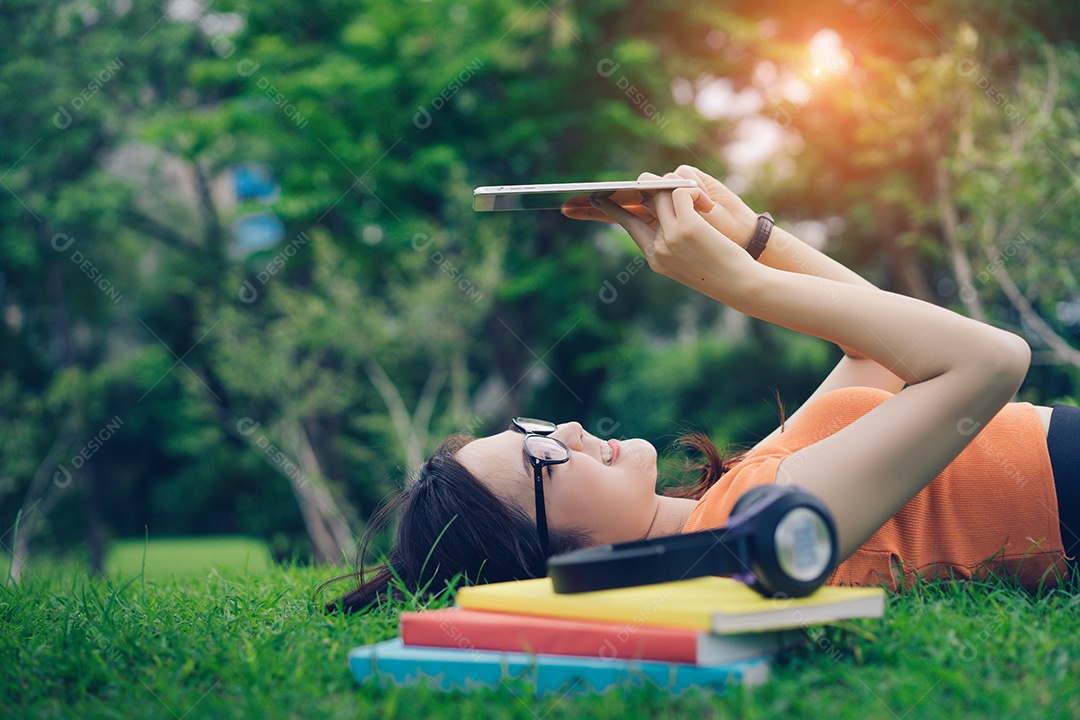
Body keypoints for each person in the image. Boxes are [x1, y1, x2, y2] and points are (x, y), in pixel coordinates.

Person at [323, 166, 1079, 613]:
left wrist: (751, 235)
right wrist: (740, 283)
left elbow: (878, 350)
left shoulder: (734, 502)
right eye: (543, 461)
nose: (571, 433)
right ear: (552, 562)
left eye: (535, 429)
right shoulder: (741, 536)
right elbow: (987, 360)